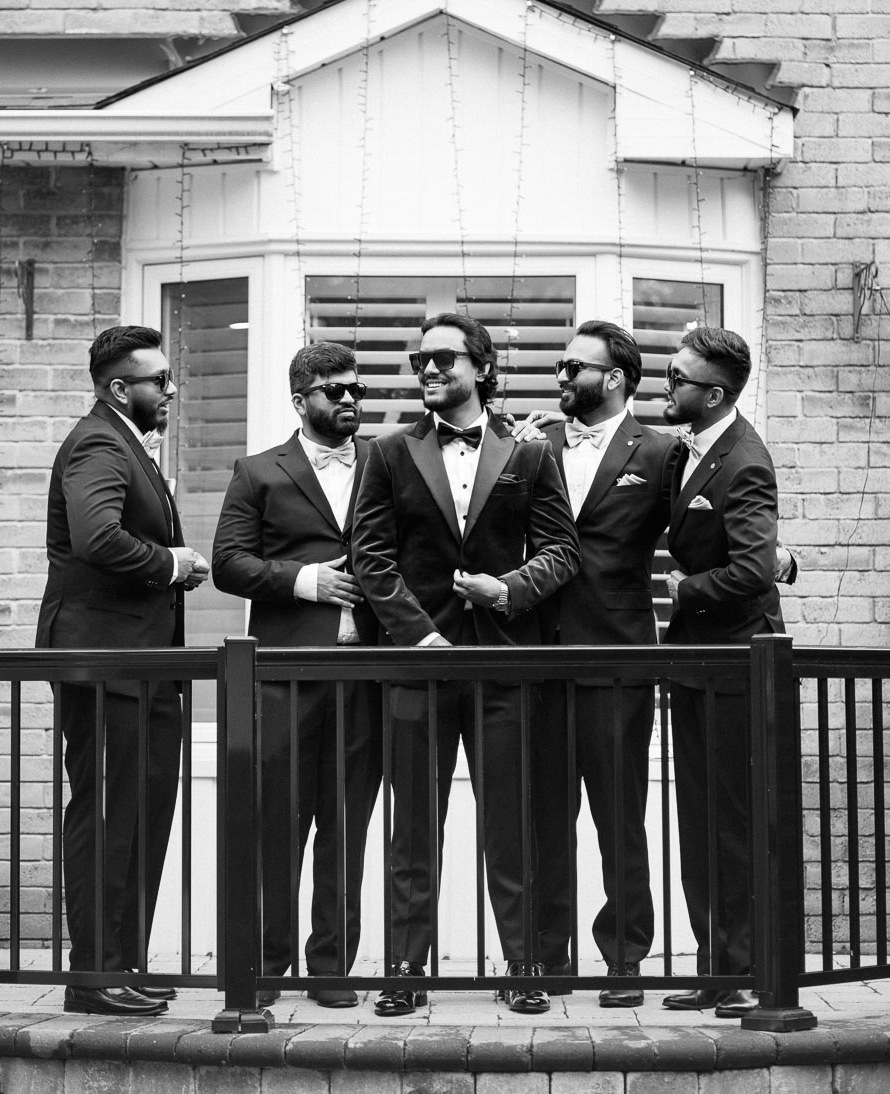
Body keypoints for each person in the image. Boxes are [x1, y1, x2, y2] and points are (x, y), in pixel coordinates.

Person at [352, 312, 580, 1017]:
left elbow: (562, 551)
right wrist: (416, 636)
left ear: (482, 367)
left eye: (444, 359)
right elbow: (371, 557)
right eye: (420, 360)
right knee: (412, 828)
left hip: (505, 665)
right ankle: (403, 969)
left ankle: (523, 966)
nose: (428, 371)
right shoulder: (387, 452)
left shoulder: (531, 453)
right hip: (417, 667)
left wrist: (510, 590)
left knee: (511, 825)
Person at [36, 325, 210, 1017]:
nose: (170, 390)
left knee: (141, 814)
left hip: (142, 663)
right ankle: (93, 976)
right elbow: (97, 536)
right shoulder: (99, 442)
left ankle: (125, 963)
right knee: (109, 814)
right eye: (158, 380)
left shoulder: (124, 443)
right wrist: (173, 563)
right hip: (105, 661)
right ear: (119, 388)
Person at [212, 343, 382, 1009]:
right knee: (278, 824)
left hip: (364, 675)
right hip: (282, 674)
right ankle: (268, 965)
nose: (347, 400)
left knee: (348, 825)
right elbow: (228, 562)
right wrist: (305, 581)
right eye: (332, 390)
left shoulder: (384, 462)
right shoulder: (258, 471)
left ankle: (331, 969)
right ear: (299, 399)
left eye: (353, 389)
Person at [521, 321, 677, 1008]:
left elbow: (702, 532)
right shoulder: (535, 445)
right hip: (539, 657)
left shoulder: (664, 451)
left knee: (621, 816)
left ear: (613, 378)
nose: (561, 377)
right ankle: (544, 961)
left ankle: (624, 959)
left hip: (617, 657)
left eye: (573, 367)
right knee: (541, 817)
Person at [660, 326, 792, 1019]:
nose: (667, 383)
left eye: (678, 378)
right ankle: (716, 969)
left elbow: (748, 570)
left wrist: (686, 590)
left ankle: (741, 973)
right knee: (701, 822)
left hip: (737, 666)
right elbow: (764, 555)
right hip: (697, 668)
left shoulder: (744, 459)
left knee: (731, 824)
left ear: (713, 394)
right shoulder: (692, 451)